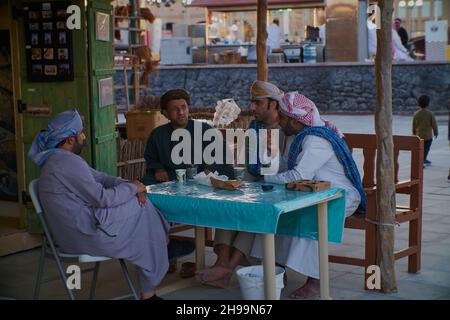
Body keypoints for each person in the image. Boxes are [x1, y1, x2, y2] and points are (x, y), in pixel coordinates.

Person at [28, 109, 169, 300]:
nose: (84, 136)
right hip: (85, 235)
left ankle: (160, 243)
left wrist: (128, 185)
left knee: (143, 213)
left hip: (71, 234)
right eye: (80, 133)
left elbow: (100, 178)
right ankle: (159, 253)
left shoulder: (58, 160)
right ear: (70, 140)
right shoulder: (66, 162)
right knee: (144, 208)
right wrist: (134, 189)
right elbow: (102, 199)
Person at [250, 92, 365, 299]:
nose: (280, 120)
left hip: (339, 196)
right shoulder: (300, 136)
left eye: (283, 118)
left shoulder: (315, 140)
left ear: (294, 121)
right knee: (276, 213)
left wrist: (265, 180)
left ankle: (316, 281)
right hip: (313, 192)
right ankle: (276, 271)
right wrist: (270, 159)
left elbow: (299, 175)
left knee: (310, 218)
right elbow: (288, 167)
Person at [196, 80, 288, 288]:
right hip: (256, 184)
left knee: (252, 210)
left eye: (258, 103)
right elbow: (248, 166)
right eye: (252, 102)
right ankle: (222, 263)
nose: (252, 108)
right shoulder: (254, 127)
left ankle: (226, 269)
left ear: (273, 105)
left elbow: (286, 170)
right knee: (230, 204)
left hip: (279, 189)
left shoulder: (286, 127)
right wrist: (240, 187)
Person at [142, 88, 234, 185]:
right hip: (173, 175)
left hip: (202, 174)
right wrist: (158, 169)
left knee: (225, 171)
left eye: (183, 107)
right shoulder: (158, 134)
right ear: (165, 113)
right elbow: (151, 158)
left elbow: (222, 151)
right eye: (174, 109)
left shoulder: (205, 129)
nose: (181, 112)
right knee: (146, 181)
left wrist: (210, 169)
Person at [412, 95, 438, 166]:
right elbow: (434, 124)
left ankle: (423, 159)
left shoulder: (416, 114)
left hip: (419, 135)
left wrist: (414, 133)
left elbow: (414, 125)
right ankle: (422, 161)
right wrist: (436, 132)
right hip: (428, 136)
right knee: (426, 149)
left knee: (420, 148)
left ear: (418, 103)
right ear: (428, 104)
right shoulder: (430, 114)